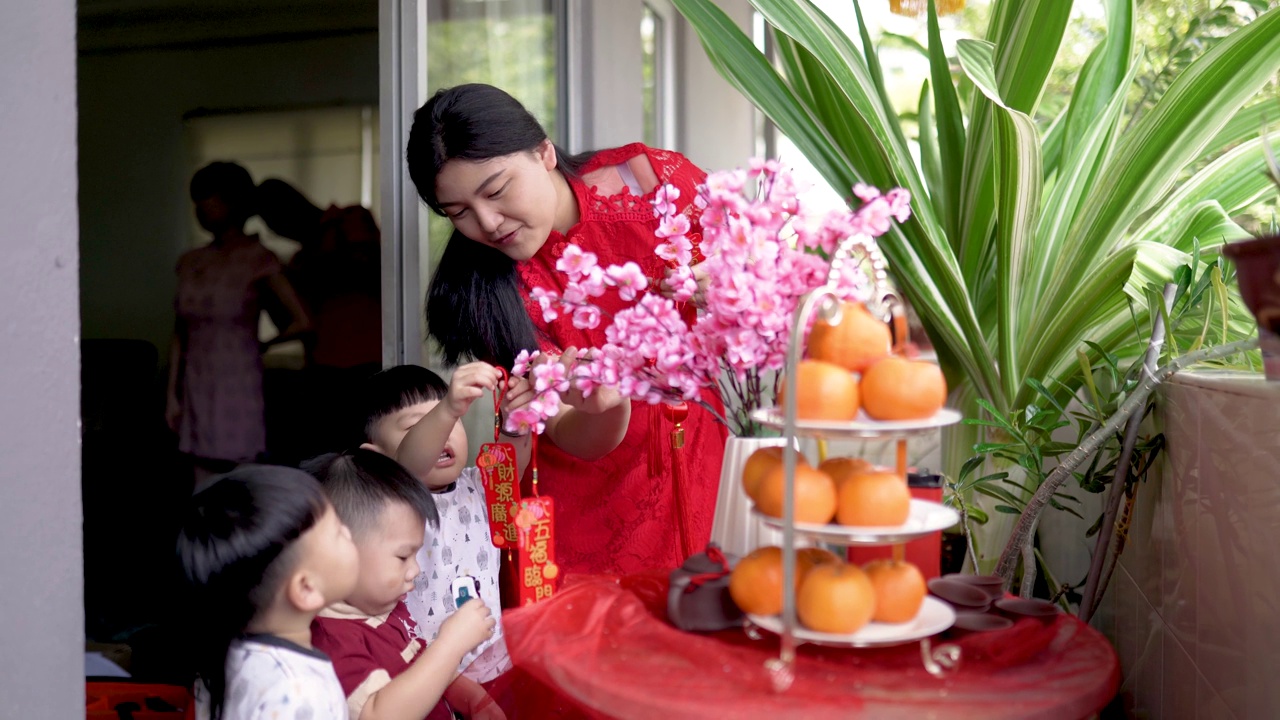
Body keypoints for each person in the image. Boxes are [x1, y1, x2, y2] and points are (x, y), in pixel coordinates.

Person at [406, 83, 728, 576]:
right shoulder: (490, 293)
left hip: (703, 467)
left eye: (496, 190)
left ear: (544, 152)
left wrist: (729, 289)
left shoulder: (652, 184)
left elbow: (763, 285)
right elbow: (574, 434)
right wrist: (607, 404)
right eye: (459, 213)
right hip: (589, 516)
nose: (488, 224)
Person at [356, 364, 534, 715]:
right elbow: (411, 464)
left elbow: (513, 458)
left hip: (495, 663)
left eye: (453, 423)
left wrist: (517, 417)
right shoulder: (392, 501)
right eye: (420, 425)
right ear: (375, 459)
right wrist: (448, 408)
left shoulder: (480, 486)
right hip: (424, 671)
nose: (445, 432)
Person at [306, 450, 501, 720]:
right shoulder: (332, 641)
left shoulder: (387, 607)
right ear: (338, 551)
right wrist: (451, 644)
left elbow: (421, 665)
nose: (415, 571)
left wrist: (473, 699)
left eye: (416, 555)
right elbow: (377, 714)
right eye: (402, 557)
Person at [167, 162, 312, 487]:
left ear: (234, 202)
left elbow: (302, 320)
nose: (202, 207)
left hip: (239, 381)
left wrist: (264, 345)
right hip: (196, 382)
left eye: (210, 197)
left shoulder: (258, 258)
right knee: (200, 480)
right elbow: (180, 332)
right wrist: (171, 395)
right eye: (197, 200)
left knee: (240, 478)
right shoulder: (190, 262)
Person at [176, 464, 359, 720]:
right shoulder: (301, 695)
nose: (349, 532)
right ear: (306, 588)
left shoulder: (220, 658)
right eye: (339, 532)